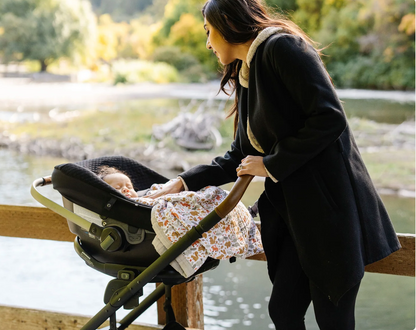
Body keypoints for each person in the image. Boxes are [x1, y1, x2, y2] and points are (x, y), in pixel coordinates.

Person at [147, 0, 401, 329]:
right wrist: (180, 182)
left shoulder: (282, 47)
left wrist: (271, 164)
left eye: (208, 32)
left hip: (330, 214)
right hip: (295, 217)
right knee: (283, 311)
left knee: (333, 319)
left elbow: (330, 118)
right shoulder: (247, 74)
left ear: (226, 23)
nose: (207, 43)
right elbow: (239, 157)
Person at [97, 165, 263, 278]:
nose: (126, 189)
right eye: (118, 188)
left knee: (209, 196)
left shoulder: (144, 196)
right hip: (143, 240)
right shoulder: (130, 208)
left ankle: (238, 216)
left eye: (129, 186)